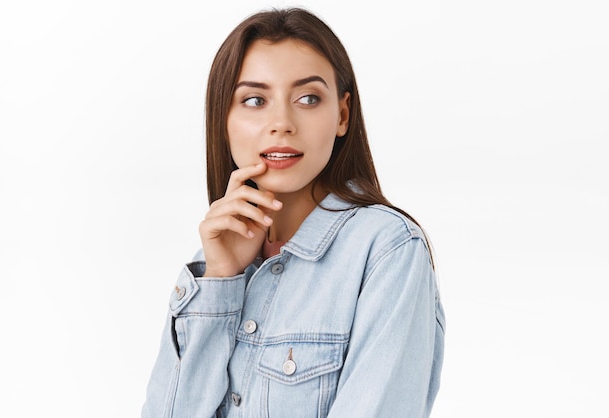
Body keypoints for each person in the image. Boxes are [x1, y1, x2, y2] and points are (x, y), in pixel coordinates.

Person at [142, 7, 445, 418]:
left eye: (307, 98)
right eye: (254, 100)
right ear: (223, 119)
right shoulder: (211, 264)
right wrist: (220, 280)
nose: (281, 122)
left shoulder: (386, 250)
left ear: (341, 114)